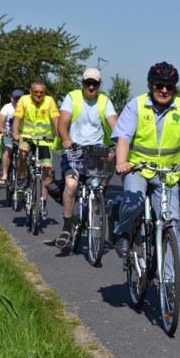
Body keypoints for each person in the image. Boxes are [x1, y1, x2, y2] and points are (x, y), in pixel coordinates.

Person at [112, 61, 180, 259]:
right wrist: (121, 161)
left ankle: (170, 284)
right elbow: (123, 137)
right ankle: (124, 231)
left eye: (169, 86)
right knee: (132, 202)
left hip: (168, 174)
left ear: (174, 88)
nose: (164, 90)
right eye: (159, 85)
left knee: (170, 223)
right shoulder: (136, 105)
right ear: (150, 86)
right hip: (137, 169)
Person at [54, 68, 118, 249]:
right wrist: (66, 139)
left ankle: (101, 195)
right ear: (82, 83)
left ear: (99, 85)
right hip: (74, 149)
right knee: (72, 185)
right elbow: (62, 122)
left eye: (95, 83)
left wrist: (118, 142)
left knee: (112, 159)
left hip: (96, 150)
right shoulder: (72, 97)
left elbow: (115, 124)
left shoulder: (104, 101)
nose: (91, 86)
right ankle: (67, 225)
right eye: (87, 83)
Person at [12, 79, 60, 219]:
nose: (39, 95)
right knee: (22, 153)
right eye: (36, 92)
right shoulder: (24, 100)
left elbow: (56, 119)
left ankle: (43, 202)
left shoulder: (50, 101)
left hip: (45, 140)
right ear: (30, 91)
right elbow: (17, 118)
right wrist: (15, 133)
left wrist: (60, 134)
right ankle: (22, 177)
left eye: (42, 93)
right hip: (27, 137)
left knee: (47, 172)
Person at [0, 89, 24, 185]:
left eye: (20, 99)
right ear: (12, 99)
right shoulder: (7, 107)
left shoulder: (27, 108)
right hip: (9, 134)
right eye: (16, 99)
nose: (18, 101)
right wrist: (2, 129)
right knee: (8, 148)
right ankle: (4, 174)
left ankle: (23, 176)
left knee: (24, 152)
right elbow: (0, 120)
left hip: (22, 135)